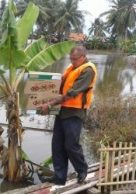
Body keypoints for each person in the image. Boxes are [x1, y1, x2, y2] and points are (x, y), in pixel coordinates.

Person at [39, 46, 97, 185]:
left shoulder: (88, 70)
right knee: (57, 145)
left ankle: (82, 170)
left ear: (83, 57)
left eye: (75, 59)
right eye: (71, 59)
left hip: (75, 112)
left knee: (71, 145)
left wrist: (50, 103)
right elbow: (60, 85)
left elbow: (72, 92)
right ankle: (59, 177)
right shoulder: (72, 68)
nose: (72, 61)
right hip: (62, 110)